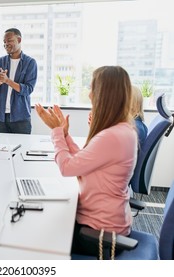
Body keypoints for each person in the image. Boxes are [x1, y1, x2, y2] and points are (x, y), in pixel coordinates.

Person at [35, 66, 137, 257]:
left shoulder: (112, 136)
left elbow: (67, 168)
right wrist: (65, 135)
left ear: (105, 94)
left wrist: (56, 132)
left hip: (99, 234)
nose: (89, 95)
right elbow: (85, 160)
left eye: (92, 89)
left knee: (38, 235)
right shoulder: (122, 130)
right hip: (109, 223)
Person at [0, 28, 37, 134]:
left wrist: (7, 81)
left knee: (22, 148)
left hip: (21, 117)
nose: (6, 44)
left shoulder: (30, 63)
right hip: (0, 117)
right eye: (4, 42)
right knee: (0, 149)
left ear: (19, 40)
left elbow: (28, 89)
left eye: (9, 40)